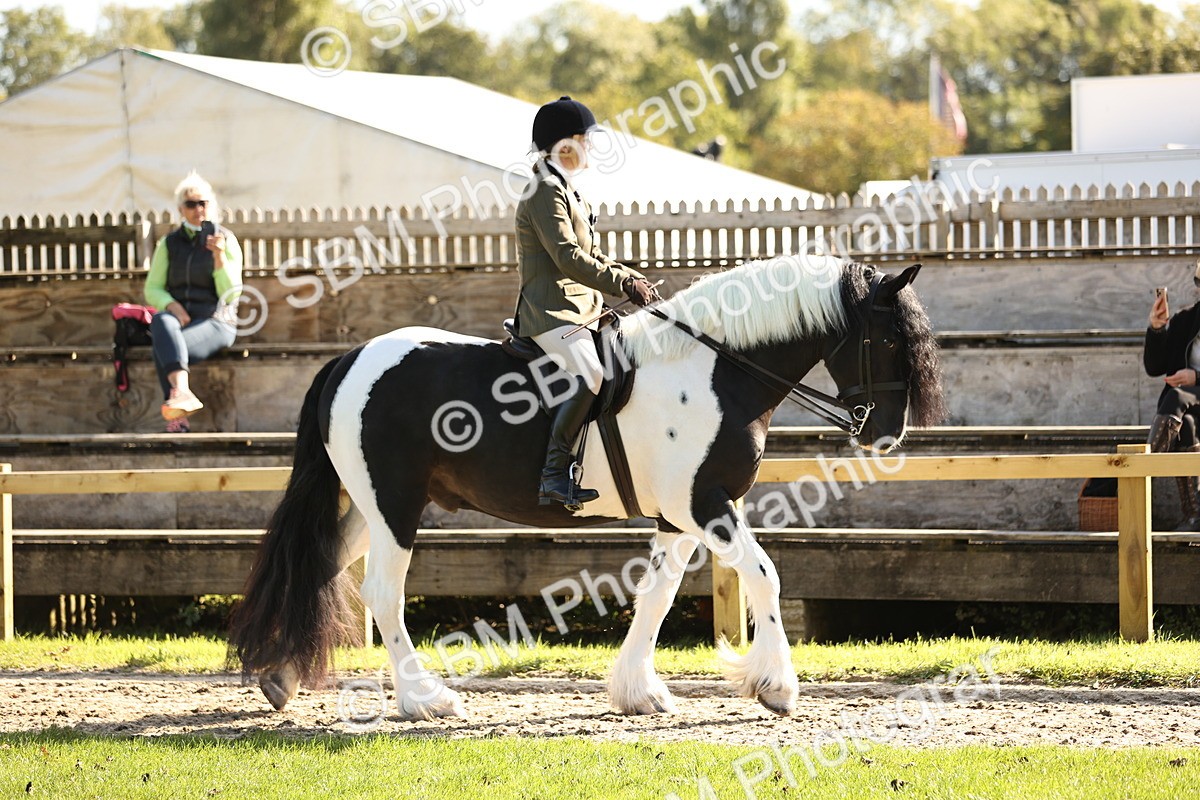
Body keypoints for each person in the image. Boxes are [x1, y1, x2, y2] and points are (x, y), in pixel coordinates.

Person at [513, 96, 659, 507]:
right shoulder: (544, 191)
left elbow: (592, 254)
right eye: (585, 139)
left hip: (580, 309)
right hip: (551, 311)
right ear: (564, 145)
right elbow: (568, 257)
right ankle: (553, 473)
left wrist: (630, 276)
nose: (590, 147)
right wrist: (621, 283)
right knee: (591, 374)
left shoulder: (568, 190)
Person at [144, 171, 242, 433]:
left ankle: (177, 414)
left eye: (203, 203)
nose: (198, 209)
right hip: (181, 320)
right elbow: (152, 288)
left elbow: (231, 294)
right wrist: (172, 305)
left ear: (211, 206)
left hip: (217, 321)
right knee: (161, 320)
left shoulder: (226, 240)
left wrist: (219, 258)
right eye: (191, 204)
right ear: (181, 209)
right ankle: (183, 394)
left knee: (164, 347)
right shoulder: (169, 244)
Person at [1144, 276, 1200, 530]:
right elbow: (1155, 367)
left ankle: (1142, 474)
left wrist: (1196, 377)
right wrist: (1157, 329)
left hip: (1184, 397)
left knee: (1176, 396)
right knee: (1186, 424)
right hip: (1190, 407)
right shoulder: (1185, 319)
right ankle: (1193, 516)